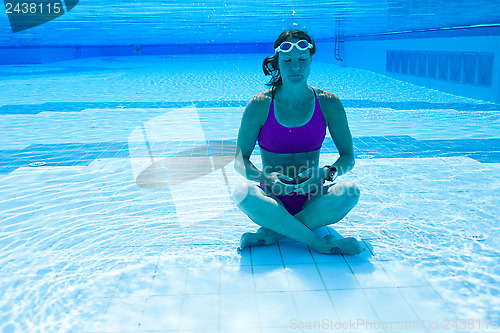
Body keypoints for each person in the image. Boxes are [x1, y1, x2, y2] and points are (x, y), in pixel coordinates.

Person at [232, 29, 364, 255]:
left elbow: (348, 157)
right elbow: (239, 160)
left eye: (302, 59)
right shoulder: (260, 104)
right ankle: (320, 243)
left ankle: (274, 232)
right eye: (288, 60)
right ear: (278, 62)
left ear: (311, 59)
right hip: (272, 197)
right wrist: (265, 178)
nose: (295, 67)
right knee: (241, 192)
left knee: (350, 192)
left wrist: (326, 173)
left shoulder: (328, 103)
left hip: (313, 197)